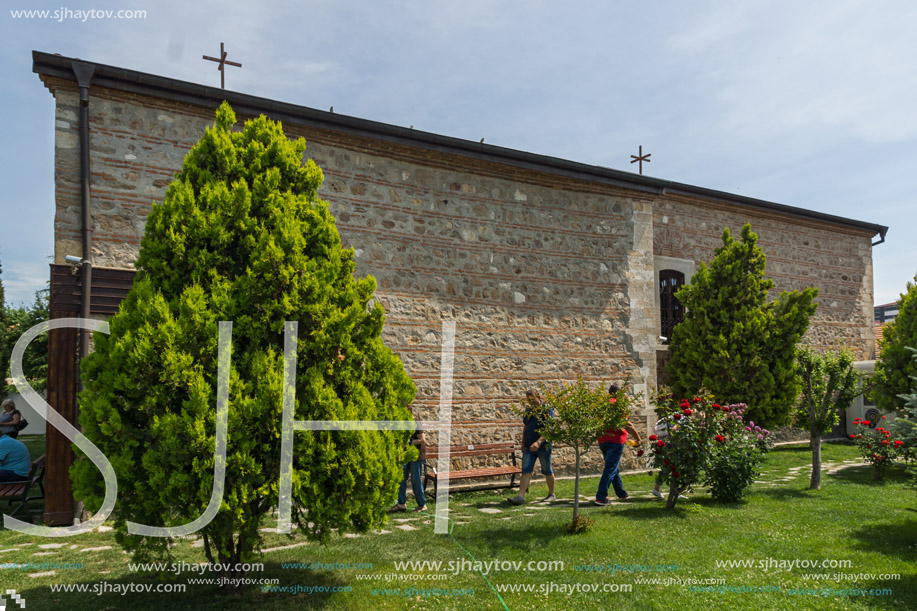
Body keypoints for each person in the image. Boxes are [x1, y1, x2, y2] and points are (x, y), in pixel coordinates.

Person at [595, 384, 643, 505]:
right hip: (615, 441)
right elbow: (626, 424)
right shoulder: (617, 405)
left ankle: (621, 493)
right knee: (610, 468)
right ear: (618, 394)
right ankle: (601, 497)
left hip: (603, 440)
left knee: (613, 467)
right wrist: (637, 438)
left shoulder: (603, 405)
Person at [508, 390, 556, 505]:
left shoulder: (546, 409)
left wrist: (538, 442)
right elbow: (526, 426)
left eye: (531, 399)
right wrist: (523, 443)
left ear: (538, 397)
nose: (530, 402)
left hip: (543, 446)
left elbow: (549, 428)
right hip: (529, 447)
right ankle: (520, 497)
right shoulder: (528, 410)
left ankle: (551, 494)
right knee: (526, 470)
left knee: (547, 470)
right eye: (528, 400)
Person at [391, 413, 428, 513]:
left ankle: (422, 505)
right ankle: (401, 504)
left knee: (415, 479)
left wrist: (409, 443)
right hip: (406, 454)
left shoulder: (416, 422)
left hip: (417, 455)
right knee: (401, 478)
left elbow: (422, 440)